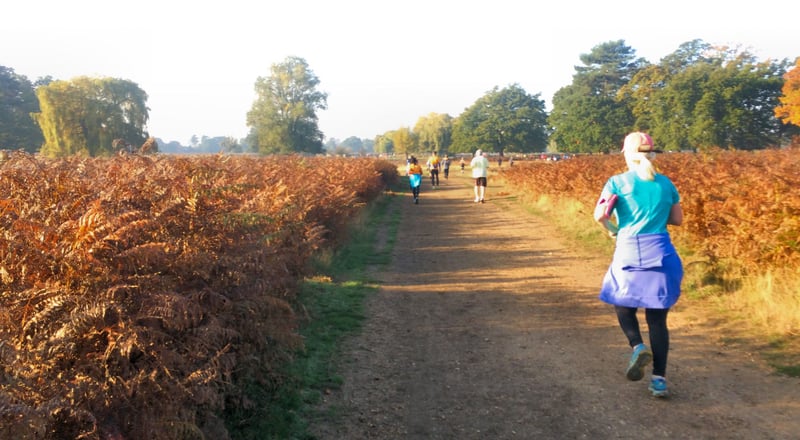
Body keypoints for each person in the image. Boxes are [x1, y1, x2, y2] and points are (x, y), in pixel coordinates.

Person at [594, 131, 684, 398]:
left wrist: (610, 228)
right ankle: (659, 380)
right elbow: (677, 220)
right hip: (661, 252)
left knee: (622, 304)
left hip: (629, 251)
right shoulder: (667, 184)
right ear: (652, 154)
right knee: (658, 320)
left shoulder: (616, 183)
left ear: (626, 153)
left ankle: (636, 346)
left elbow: (600, 214)